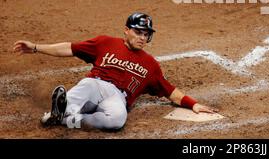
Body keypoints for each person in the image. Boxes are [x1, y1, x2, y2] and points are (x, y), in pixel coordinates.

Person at [13, 12, 217, 130]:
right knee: (86, 87)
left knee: (117, 120)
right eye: (138, 32)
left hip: (119, 98)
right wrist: (35, 47)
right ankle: (60, 109)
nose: (142, 38)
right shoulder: (105, 43)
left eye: (146, 35)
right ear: (126, 30)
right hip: (97, 83)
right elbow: (69, 48)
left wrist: (194, 104)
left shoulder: (151, 65)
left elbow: (170, 91)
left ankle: (67, 119)